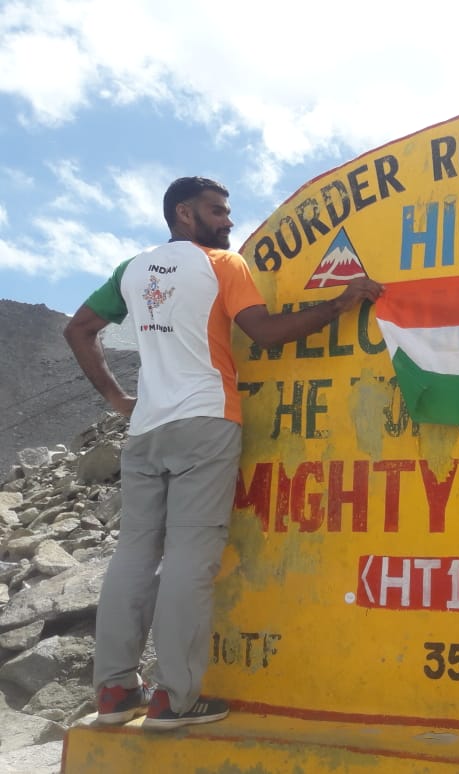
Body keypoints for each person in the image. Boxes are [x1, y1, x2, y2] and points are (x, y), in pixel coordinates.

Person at [64, 176, 383, 731]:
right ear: (184, 213)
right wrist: (341, 301)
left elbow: (79, 330)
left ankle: (114, 691)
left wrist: (117, 398)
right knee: (190, 557)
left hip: (147, 429)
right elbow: (266, 333)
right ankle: (176, 699)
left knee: (134, 555)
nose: (228, 221)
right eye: (217, 211)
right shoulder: (221, 265)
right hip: (206, 422)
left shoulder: (132, 270)